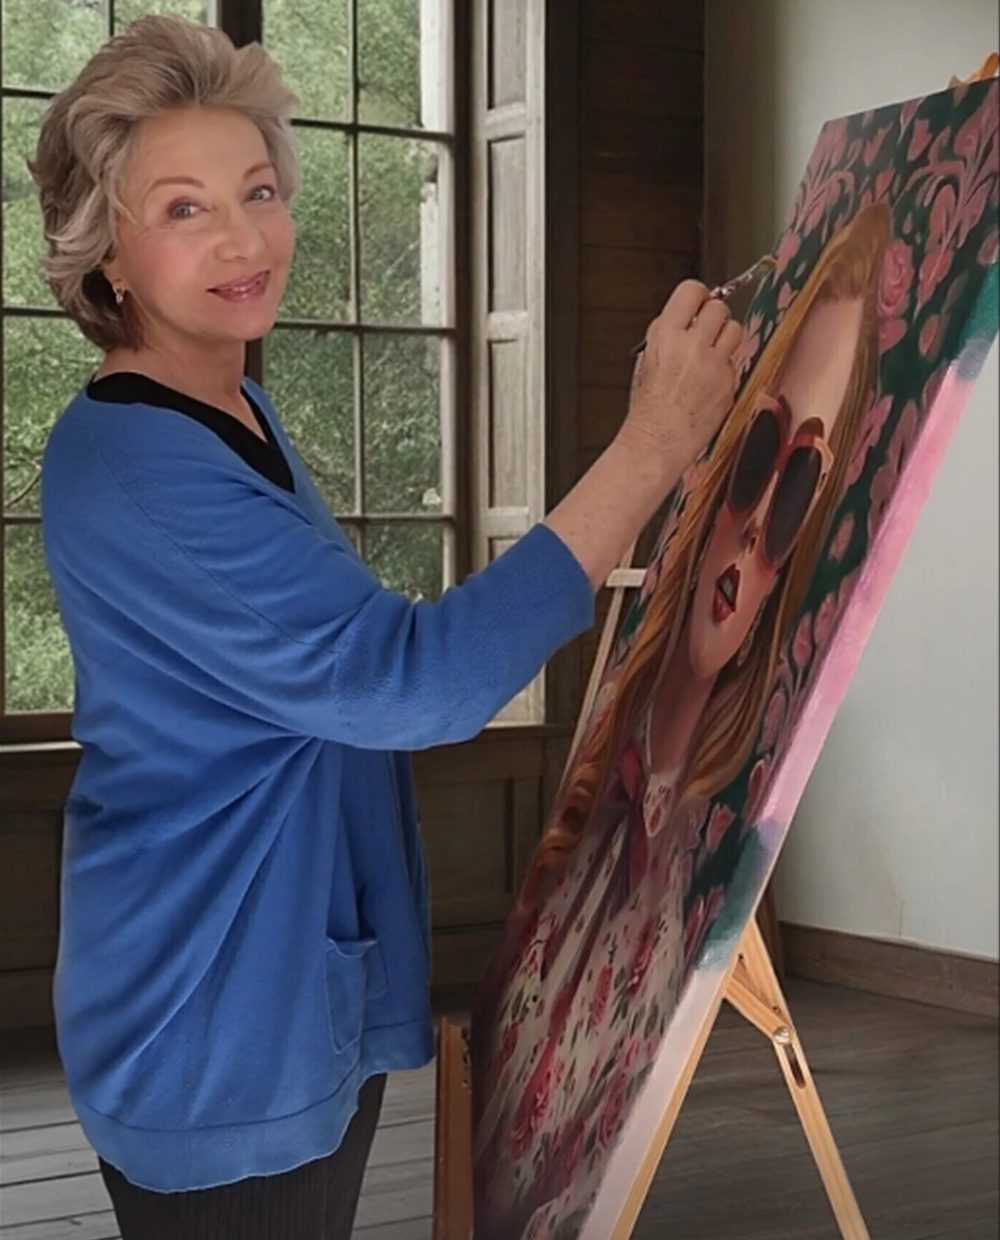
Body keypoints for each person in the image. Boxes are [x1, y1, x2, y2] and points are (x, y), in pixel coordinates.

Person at [30, 15, 743, 1239]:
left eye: (259, 190)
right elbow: (410, 682)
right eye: (185, 209)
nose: (245, 237)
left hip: (277, 992)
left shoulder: (232, 405)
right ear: (107, 254)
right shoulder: (138, 465)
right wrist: (651, 447)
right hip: (215, 1021)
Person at [470, 203, 892, 1240]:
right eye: (754, 461)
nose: (749, 534)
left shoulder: (684, 865)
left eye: (795, 490)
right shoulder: (604, 803)